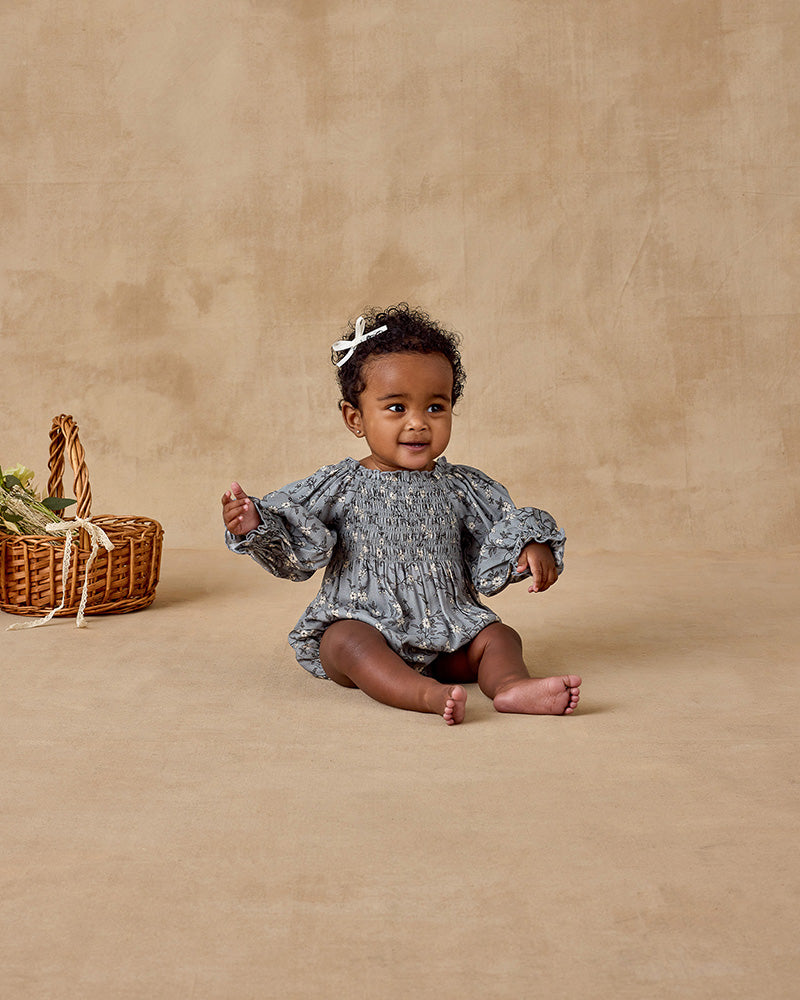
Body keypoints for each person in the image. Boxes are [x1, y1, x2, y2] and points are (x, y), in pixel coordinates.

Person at [221, 304, 580, 725]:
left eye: (435, 407)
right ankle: (423, 693)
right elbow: (293, 531)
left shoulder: (462, 487)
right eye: (396, 408)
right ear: (355, 418)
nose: (418, 424)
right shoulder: (341, 484)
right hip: (364, 624)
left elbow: (498, 533)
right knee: (345, 642)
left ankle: (510, 686)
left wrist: (530, 544)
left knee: (499, 636)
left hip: (448, 633)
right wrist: (255, 523)